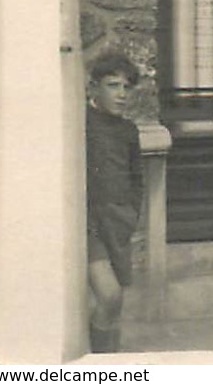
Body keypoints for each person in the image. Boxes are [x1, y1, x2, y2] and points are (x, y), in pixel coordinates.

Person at [86, 52, 143, 354]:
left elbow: (137, 179)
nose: (121, 94)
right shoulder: (81, 123)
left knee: (115, 302)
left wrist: (132, 214)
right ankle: (96, 361)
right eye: (112, 85)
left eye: (126, 87)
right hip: (89, 225)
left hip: (118, 223)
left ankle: (108, 363)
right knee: (109, 295)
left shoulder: (128, 130)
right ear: (94, 87)